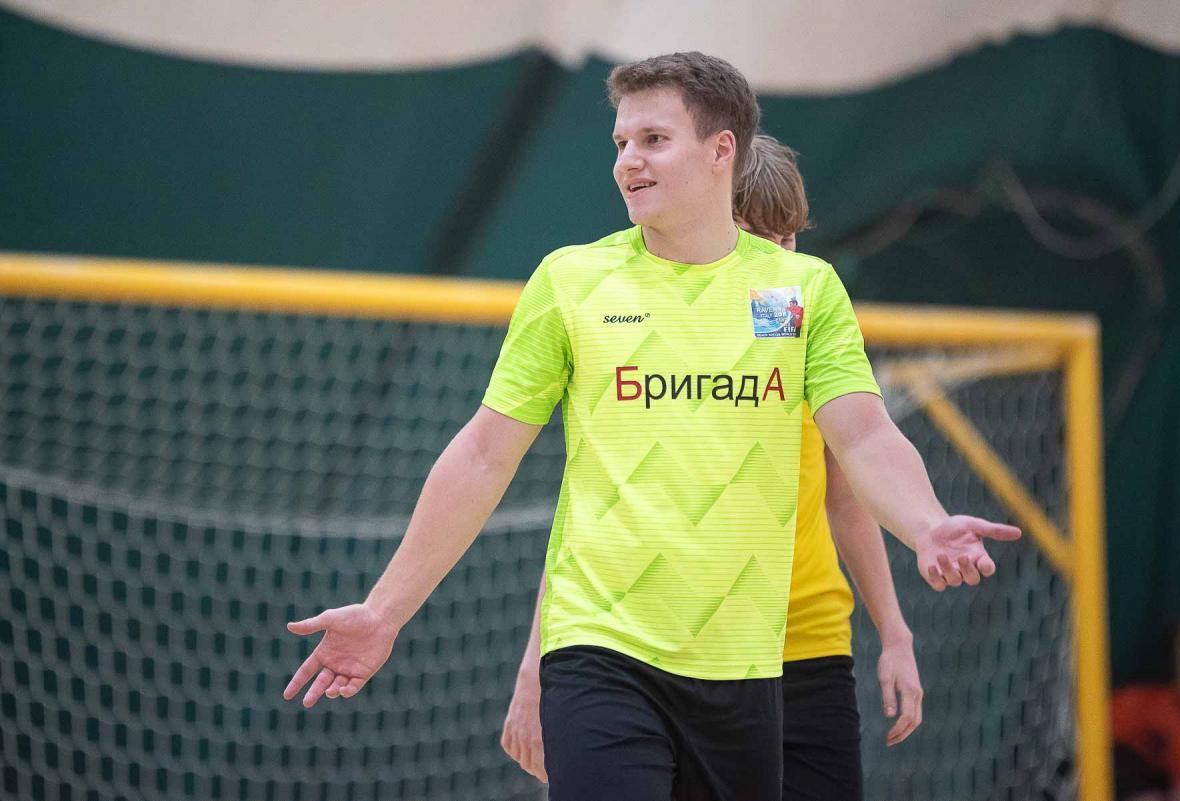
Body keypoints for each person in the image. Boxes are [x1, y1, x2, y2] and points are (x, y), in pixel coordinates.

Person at [283, 52, 1020, 801]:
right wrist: (384, 611)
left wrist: (925, 524)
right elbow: (481, 455)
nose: (627, 161)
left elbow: (862, 438)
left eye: (653, 140)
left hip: (746, 664)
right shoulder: (571, 281)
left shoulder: (802, 290)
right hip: (599, 648)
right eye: (620, 142)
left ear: (721, 150)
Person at [500, 133, 924, 799]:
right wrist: (537, 666)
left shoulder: (805, 321)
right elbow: (591, 517)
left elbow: (847, 495)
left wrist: (894, 629)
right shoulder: (644, 333)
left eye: (788, 239)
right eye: (758, 238)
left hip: (805, 648)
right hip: (667, 648)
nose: (776, 256)